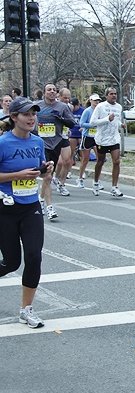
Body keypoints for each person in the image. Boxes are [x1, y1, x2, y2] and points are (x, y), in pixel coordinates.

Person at [0, 96, 54, 328]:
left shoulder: (37, 143)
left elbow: (39, 172)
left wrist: (46, 170)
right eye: (26, 114)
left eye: (34, 114)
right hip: (5, 208)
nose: (32, 118)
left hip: (31, 206)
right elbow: (18, 174)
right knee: (11, 262)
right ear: (14, 117)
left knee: (34, 256)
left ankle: (27, 309)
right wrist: (17, 176)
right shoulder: (3, 143)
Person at [35, 83, 76, 219]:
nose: (51, 92)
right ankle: (49, 207)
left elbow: (72, 123)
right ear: (44, 92)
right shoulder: (37, 106)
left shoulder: (62, 107)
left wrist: (61, 118)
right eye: (49, 90)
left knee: (48, 176)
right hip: (42, 145)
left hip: (56, 143)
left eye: (54, 90)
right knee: (47, 176)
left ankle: (40, 200)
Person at [88, 87, 125, 197]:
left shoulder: (119, 107)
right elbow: (93, 122)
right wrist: (106, 119)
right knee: (100, 161)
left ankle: (114, 187)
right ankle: (95, 182)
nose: (114, 96)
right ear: (106, 95)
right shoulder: (100, 106)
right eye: (111, 94)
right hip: (102, 139)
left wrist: (120, 125)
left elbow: (117, 120)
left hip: (114, 138)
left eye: (115, 94)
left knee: (117, 161)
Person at [77, 94, 102, 188]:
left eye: (98, 100)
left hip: (97, 137)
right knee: (85, 159)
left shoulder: (100, 111)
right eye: (95, 100)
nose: (97, 102)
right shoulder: (87, 111)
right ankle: (80, 178)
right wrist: (92, 125)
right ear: (90, 101)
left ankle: (97, 180)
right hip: (87, 137)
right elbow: (81, 123)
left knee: (100, 159)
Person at [69, 98, 84, 187]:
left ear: (77, 105)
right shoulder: (69, 111)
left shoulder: (83, 111)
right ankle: (69, 171)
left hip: (81, 134)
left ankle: (82, 172)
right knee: (70, 154)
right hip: (72, 134)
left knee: (83, 154)